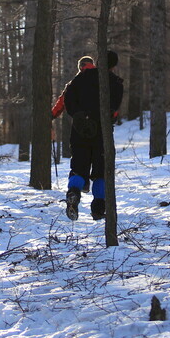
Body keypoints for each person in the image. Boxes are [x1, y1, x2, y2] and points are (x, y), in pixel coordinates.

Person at [54, 51, 123, 221]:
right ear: (114, 66)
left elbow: (68, 97)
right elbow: (114, 110)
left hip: (79, 130)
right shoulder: (115, 83)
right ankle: (99, 207)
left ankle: (73, 194)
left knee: (78, 167)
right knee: (100, 171)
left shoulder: (81, 78)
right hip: (102, 132)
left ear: (98, 62)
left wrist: (77, 115)